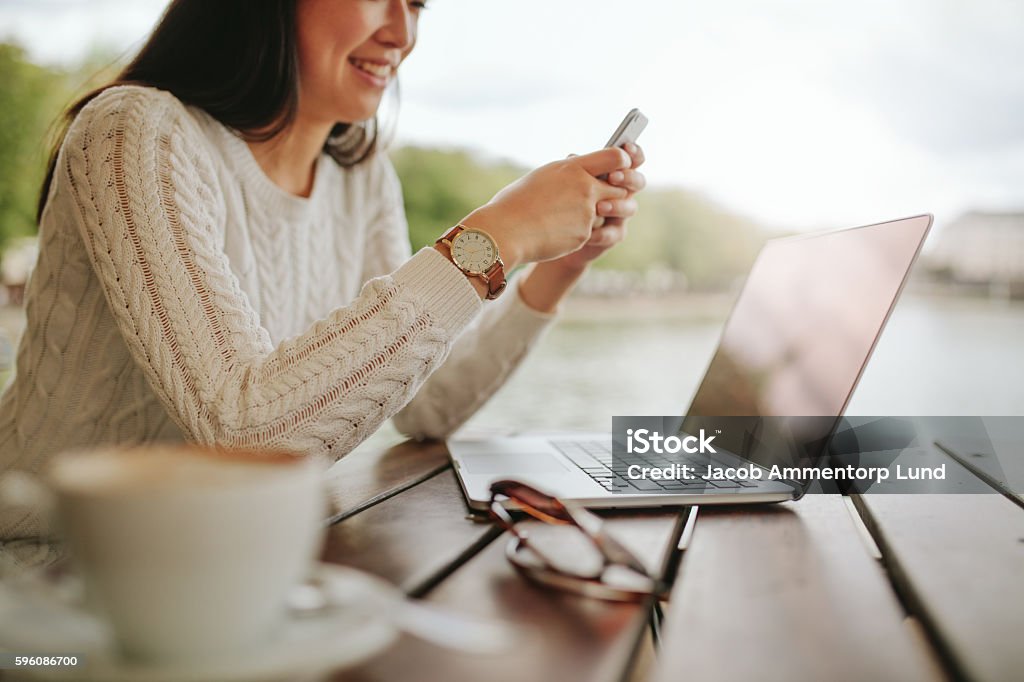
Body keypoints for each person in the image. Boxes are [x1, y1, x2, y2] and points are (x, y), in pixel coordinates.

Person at [0, 0, 645, 566]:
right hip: (44, 575)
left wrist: (558, 266)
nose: (402, 32)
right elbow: (247, 438)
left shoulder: (360, 177)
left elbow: (428, 405)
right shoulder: (134, 133)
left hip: (213, 570)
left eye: (417, 3)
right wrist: (494, 240)